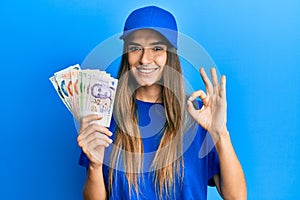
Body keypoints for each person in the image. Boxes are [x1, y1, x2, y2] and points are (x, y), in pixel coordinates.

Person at [77, 5, 247, 200]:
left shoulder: (199, 117)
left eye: (157, 48)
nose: (145, 59)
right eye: (135, 48)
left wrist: (220, 133)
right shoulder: (104, 115)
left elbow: (237, 197)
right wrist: (94, 165)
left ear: (170, 55)